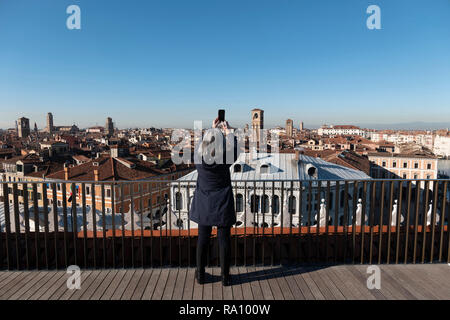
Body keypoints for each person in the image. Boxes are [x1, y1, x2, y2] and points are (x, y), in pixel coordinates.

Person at [189, 117, 237, 286]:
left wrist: (211, 129)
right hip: (222, 204)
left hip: (204, 204)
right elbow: (234, 149)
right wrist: (228, 132)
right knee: (224, 240)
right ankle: (225, 277)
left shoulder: (199, 159)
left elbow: (199, 145)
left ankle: (200, 275)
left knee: (202, 239)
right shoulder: (225, 160)